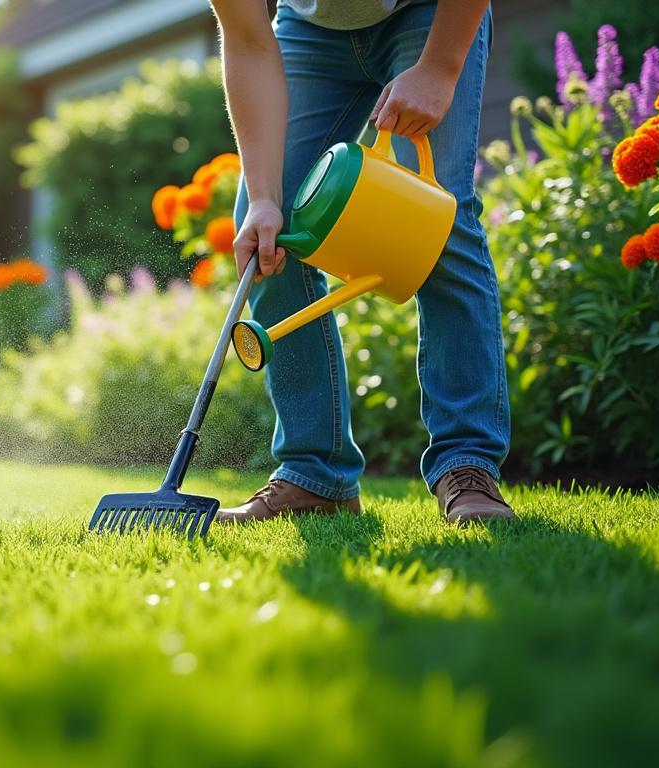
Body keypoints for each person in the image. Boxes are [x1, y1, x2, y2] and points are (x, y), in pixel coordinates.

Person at [210, 0, 515, 524]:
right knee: (272, 232)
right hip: (309, 33)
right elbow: (248, 42)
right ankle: (314, 476)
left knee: (442, 216)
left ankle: (467, 467)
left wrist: (440, 68)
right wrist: (263, 196)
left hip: (428, 14)